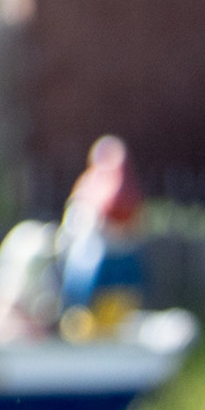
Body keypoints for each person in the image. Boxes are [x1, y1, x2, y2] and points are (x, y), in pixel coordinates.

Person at [56, 135, 146, 335]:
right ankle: (80, 321)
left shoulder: (126, 189)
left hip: (117, 268)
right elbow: (74, 226)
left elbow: (135, 222)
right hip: (91, 261)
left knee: (119, 298)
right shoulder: (89, 187)